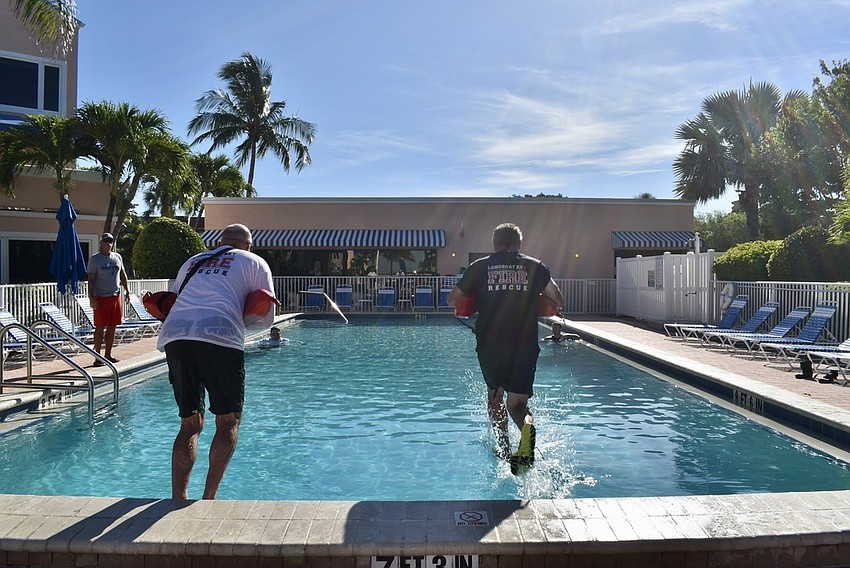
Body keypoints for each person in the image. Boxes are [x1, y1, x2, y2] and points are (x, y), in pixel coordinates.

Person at [157, 223, 276, 500]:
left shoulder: (193, 261)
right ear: (248, 244)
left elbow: (177, 299)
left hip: (176, 336)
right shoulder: (254, 262)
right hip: (220, 336)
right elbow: (263, 318)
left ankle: (178, 498)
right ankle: (209, 498)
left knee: (189, 424)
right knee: (228, 421)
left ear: (221, 241)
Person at [448, 223, 564, 472]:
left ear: (494, 243)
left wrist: (476, 299)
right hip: (525, 345)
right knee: (518, 406)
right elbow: (558, 299)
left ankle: (502, 448)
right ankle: (528, 432)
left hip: (491, 344)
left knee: (495, 397)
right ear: (519, 243)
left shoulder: (479, 267)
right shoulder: (536, 266)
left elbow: (453, 299)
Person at [87, 232, 130, 366]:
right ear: (101, 243)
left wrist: (127, 290)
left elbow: (123, 274)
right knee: (100, 327)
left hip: (115, 296)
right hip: (101, 297)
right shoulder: (95, 259)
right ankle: (97, 357)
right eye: (106, 241)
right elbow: (91, 280)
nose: (109, 243)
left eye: (111, 241)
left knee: (112, 327)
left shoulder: (117, 257)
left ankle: (108, 355)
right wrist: (92, 298)